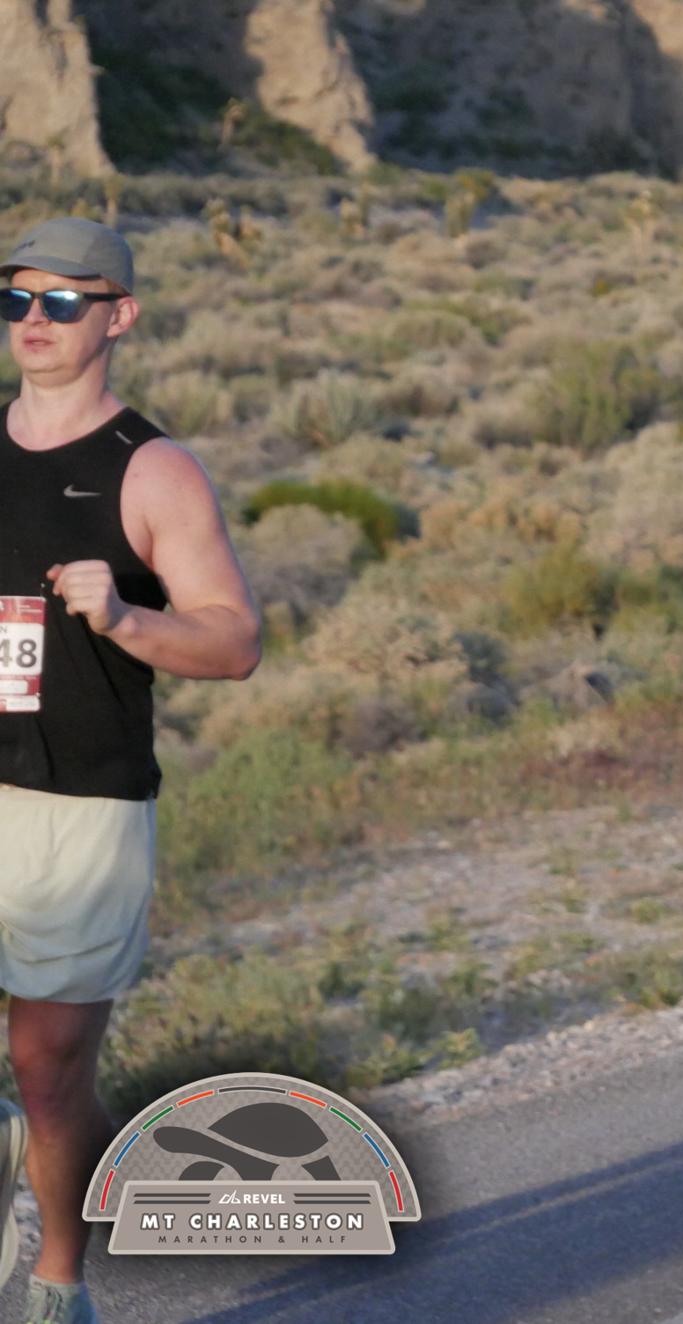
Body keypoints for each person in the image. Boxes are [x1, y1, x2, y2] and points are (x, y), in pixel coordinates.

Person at [0, 218, 262, 1324]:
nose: (35, 321)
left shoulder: (152, 469)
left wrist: (124, 617)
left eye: (65, 301)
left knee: (48, 1070)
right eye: (17, 298)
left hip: (81, 803)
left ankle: (59, 1279)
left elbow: (233, 642)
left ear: (121, 317)